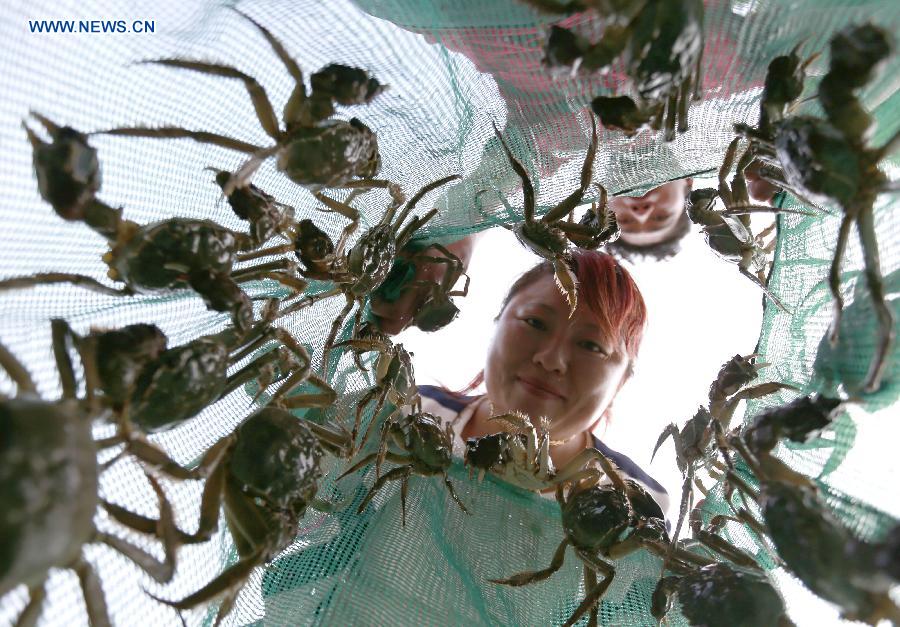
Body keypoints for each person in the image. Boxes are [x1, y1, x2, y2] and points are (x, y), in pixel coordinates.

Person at [374, 247, 669, 514]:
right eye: (535, 322)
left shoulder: (639, 504)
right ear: (496, 323)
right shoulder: (403, 411)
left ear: (623, 380)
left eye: (591, 346)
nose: (551, 360)